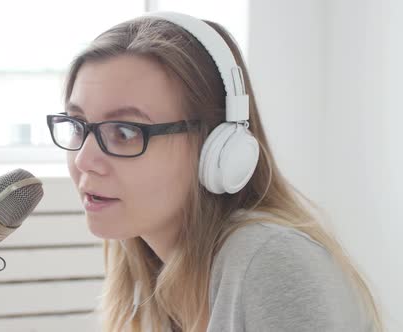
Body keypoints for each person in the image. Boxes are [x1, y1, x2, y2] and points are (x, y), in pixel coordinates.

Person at [46, 11, 383, 332]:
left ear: (217, 147)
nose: (82, 159)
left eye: (125, 132)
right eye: (77, 125)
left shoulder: (272, 262)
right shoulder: (145, 264)